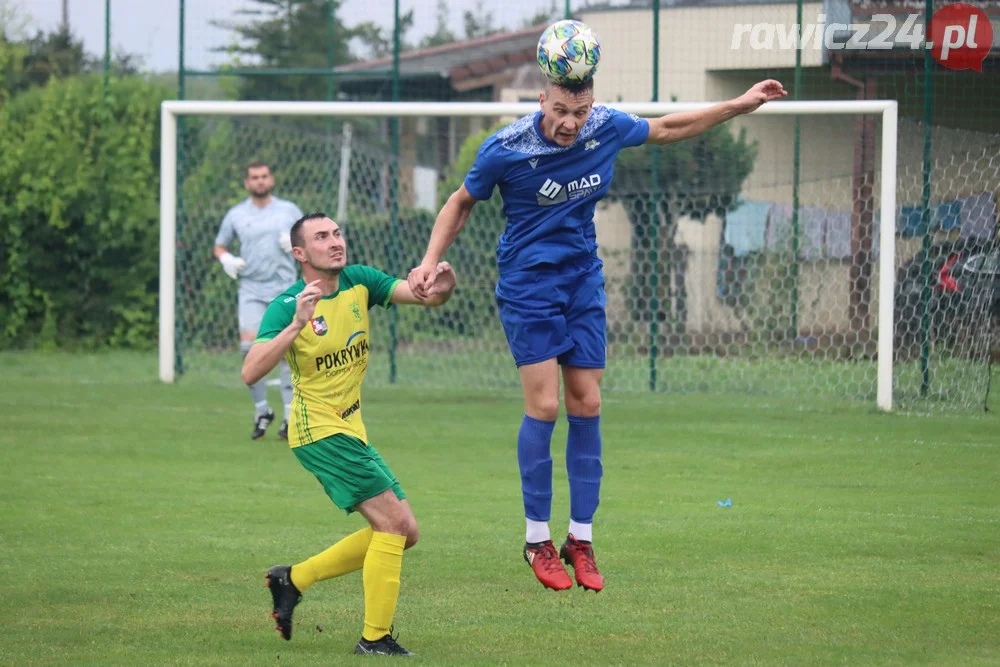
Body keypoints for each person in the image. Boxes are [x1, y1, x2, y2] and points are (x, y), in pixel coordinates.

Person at [408, 76, 787, 592]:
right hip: (529, 285)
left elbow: (672, 126)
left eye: (580, 111)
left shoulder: (605, 126)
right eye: (561, 109)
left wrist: (740, 106)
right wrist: (429, 261)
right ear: (542, 100)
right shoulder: (507, 147)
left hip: (583, 279)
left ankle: (579, 540)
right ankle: (536, 539)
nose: (570, 122)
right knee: (544, 407)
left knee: (587, 403)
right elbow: (460, 202)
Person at [242, 212, 456, 656]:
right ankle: (374, 638)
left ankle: (293, 579)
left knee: (405, 531)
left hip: (350, 428)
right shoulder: (287, 305)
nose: (335, 241)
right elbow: (251, 371)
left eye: (337, 233)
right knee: (393, 525)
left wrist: (440, 290)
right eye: (322, 237)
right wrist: (298, 323)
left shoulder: (360, 281)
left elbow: (420, 295)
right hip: (318, 431)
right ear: (300, 254)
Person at [214, 160, 305, 440]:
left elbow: (310, 242)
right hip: (251, 289)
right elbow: (220, 245)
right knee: (249, 350)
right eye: (254, 177)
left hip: (285, 290)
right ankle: (262, 410)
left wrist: (295, 244)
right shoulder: (236, 214)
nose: (260, 181)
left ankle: (291, 416)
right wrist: (226, 259)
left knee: (289, 351)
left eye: (264, 176)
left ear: (272, 179)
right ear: (246, 182)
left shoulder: (289, 210)